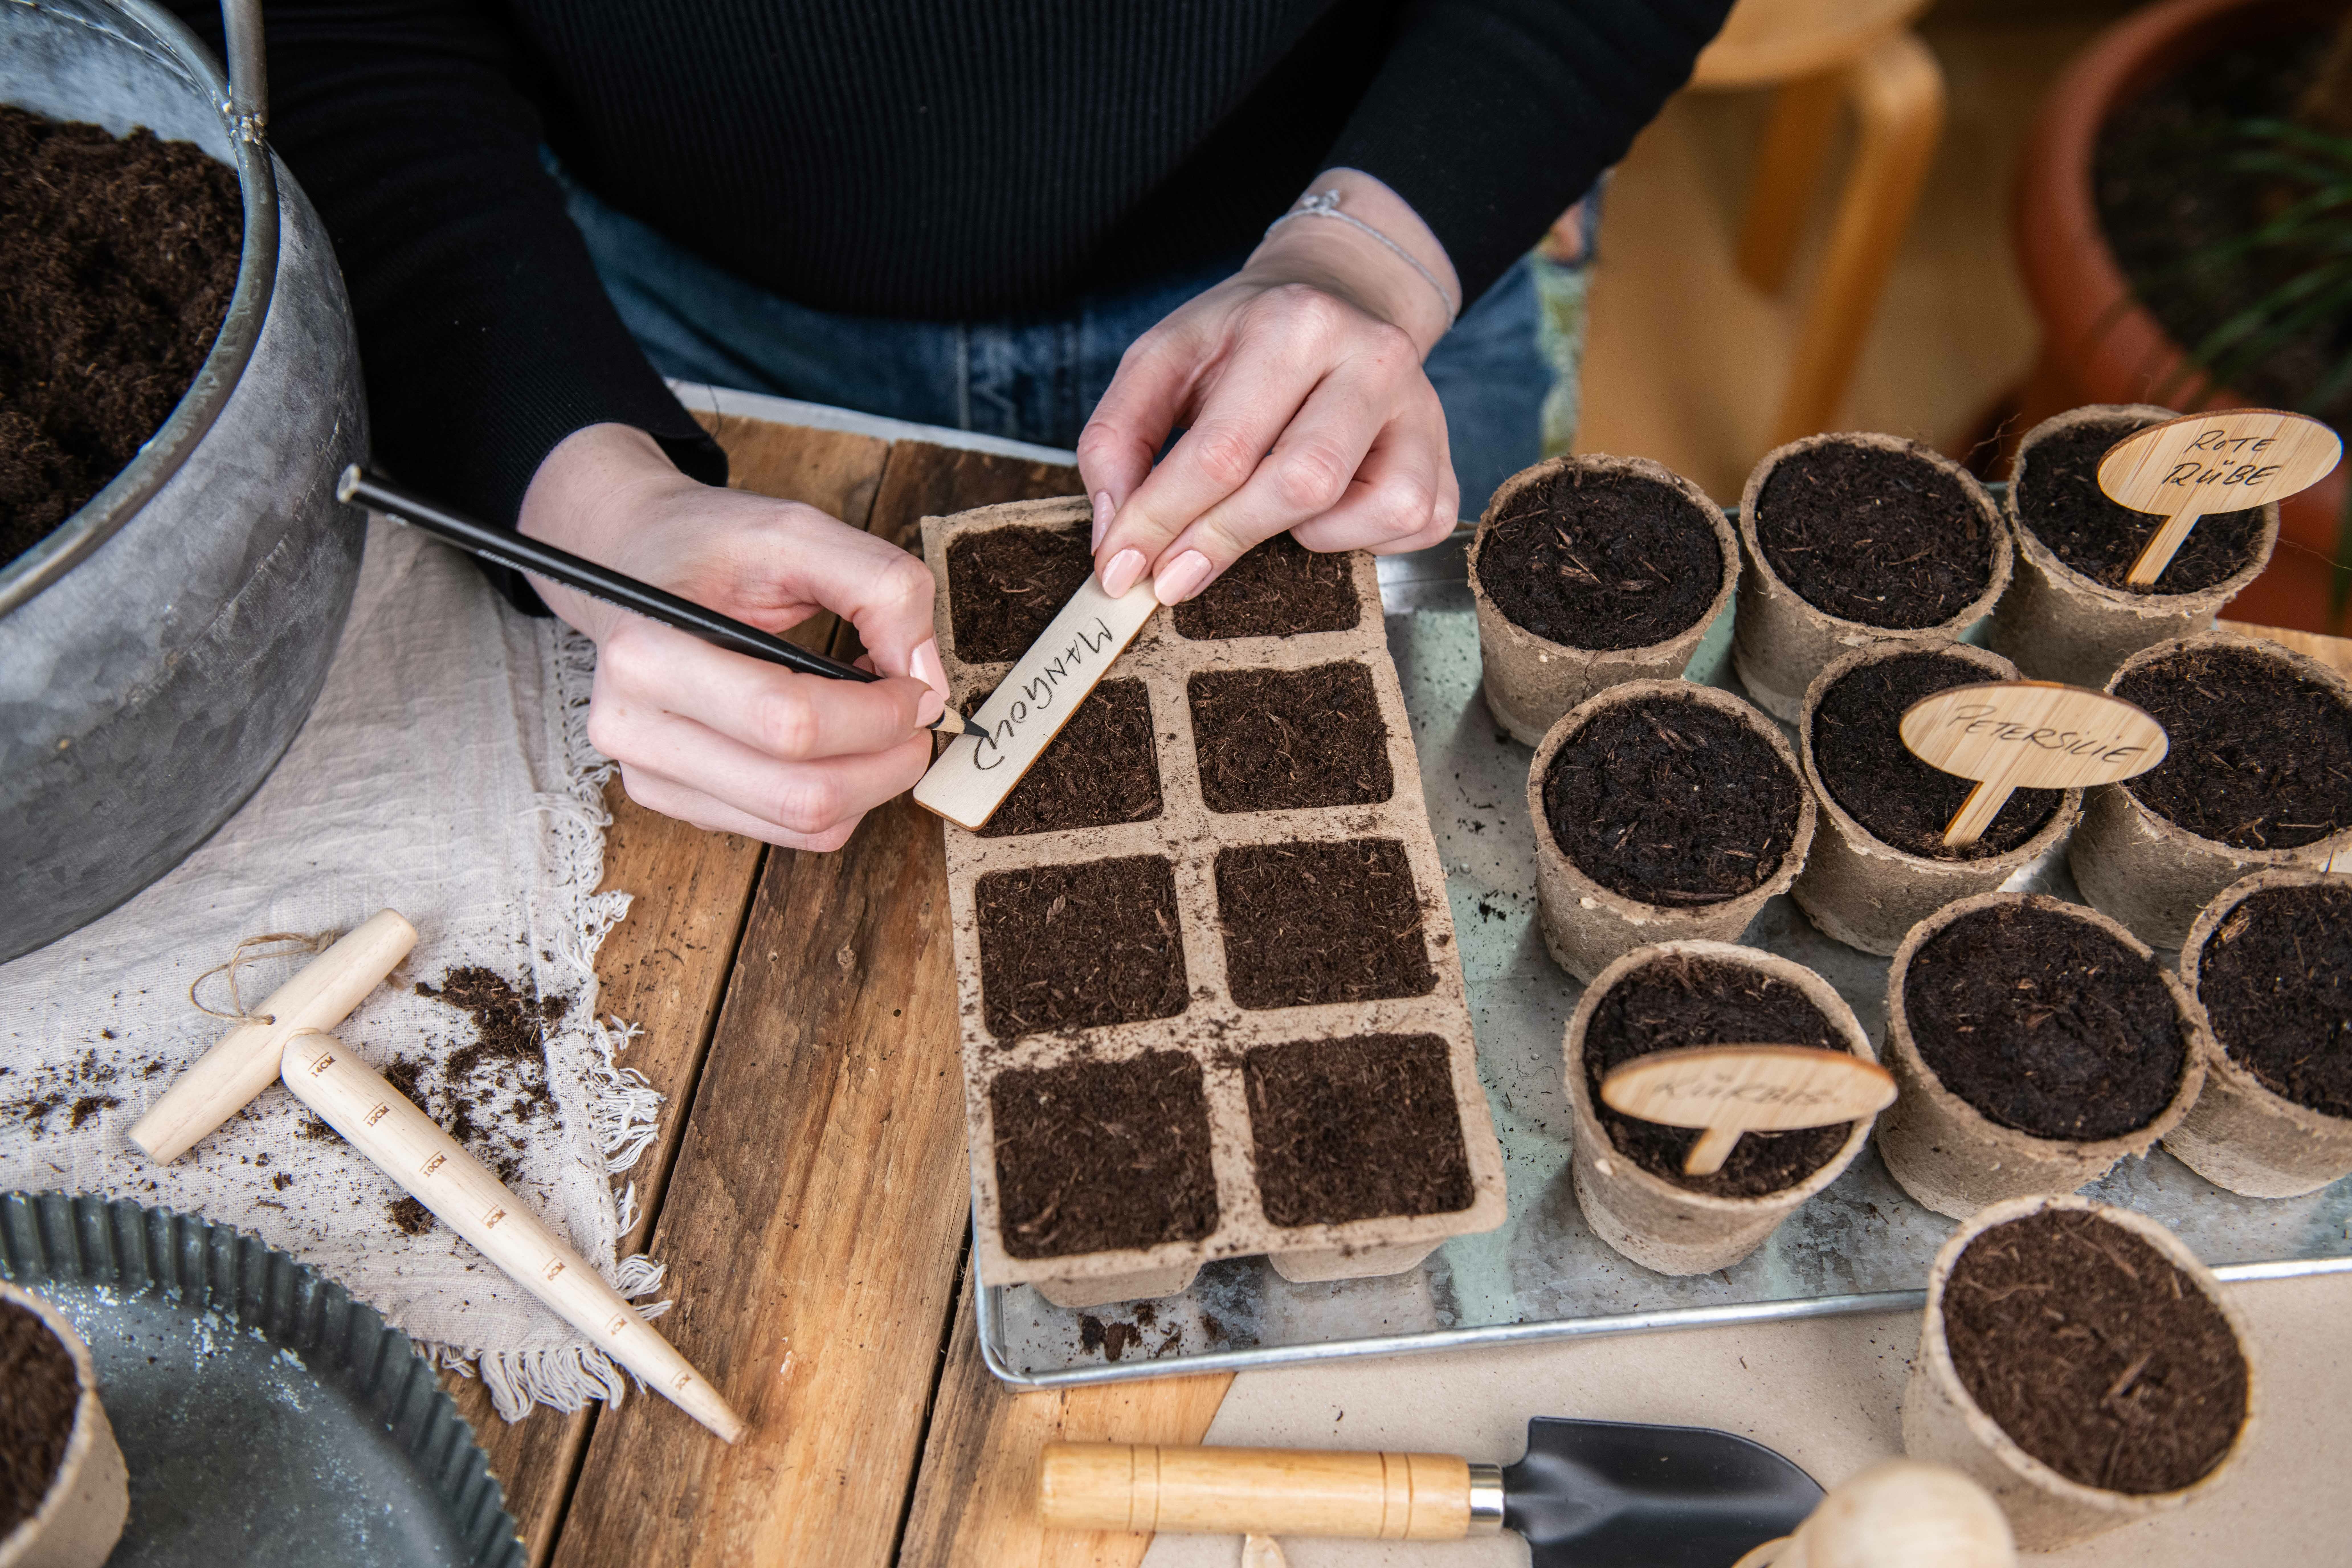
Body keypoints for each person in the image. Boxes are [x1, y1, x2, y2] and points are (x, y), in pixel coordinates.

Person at [176, 1, 1729, 850]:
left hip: (1368, 272)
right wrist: (590, 502)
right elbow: (321, 35)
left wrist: (1375, 257)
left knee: (1470, 823)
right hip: (614, 323)